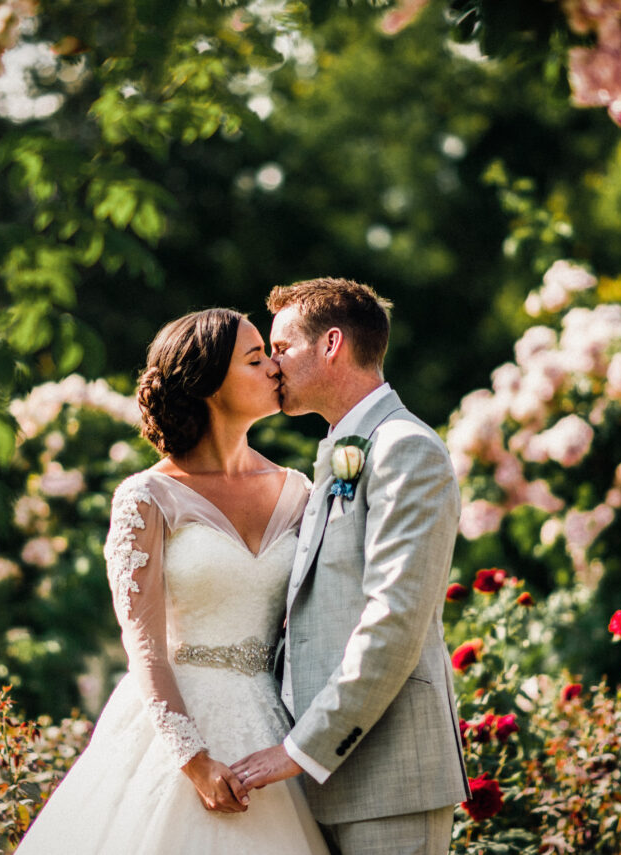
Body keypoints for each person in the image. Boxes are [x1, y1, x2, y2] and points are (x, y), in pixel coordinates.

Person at [15, 308, 330, 854]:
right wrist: (193, 761)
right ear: (208, 384)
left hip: (273, 730)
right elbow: (144, 647)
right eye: (256, 359)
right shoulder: (147, 497)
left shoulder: (300, 490)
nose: (276, 368)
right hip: (177, 728)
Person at [231, 278, 469, 855]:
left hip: (389, 780)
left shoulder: (405, 448)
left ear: (330, 343)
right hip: (316, 786)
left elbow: (394, 620)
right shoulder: (342, 448)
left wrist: (297, 749)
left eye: (281, 348)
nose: (272, 366)